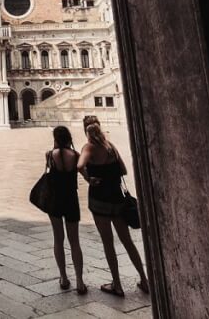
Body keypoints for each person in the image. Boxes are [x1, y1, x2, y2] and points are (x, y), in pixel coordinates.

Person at [78, 120, 148, 297]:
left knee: (108, 243)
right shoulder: (110, 147)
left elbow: (79, 165)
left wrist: (89, 178)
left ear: (88, 134)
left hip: (99, 199)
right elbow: (123, 170)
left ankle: (117, 284)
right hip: (117, 199)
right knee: (128, 241)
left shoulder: (89, 147)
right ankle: (144, 280)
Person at [44, 126, 87, 294]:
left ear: (55, 138)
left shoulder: (49, 155)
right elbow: (87, 176)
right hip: (71, 200)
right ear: (69, 138)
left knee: (58, 240)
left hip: (55, 201)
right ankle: (80, 281)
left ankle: (63, 277)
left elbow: (48, 176)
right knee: (74, 241)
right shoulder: (76, 156)